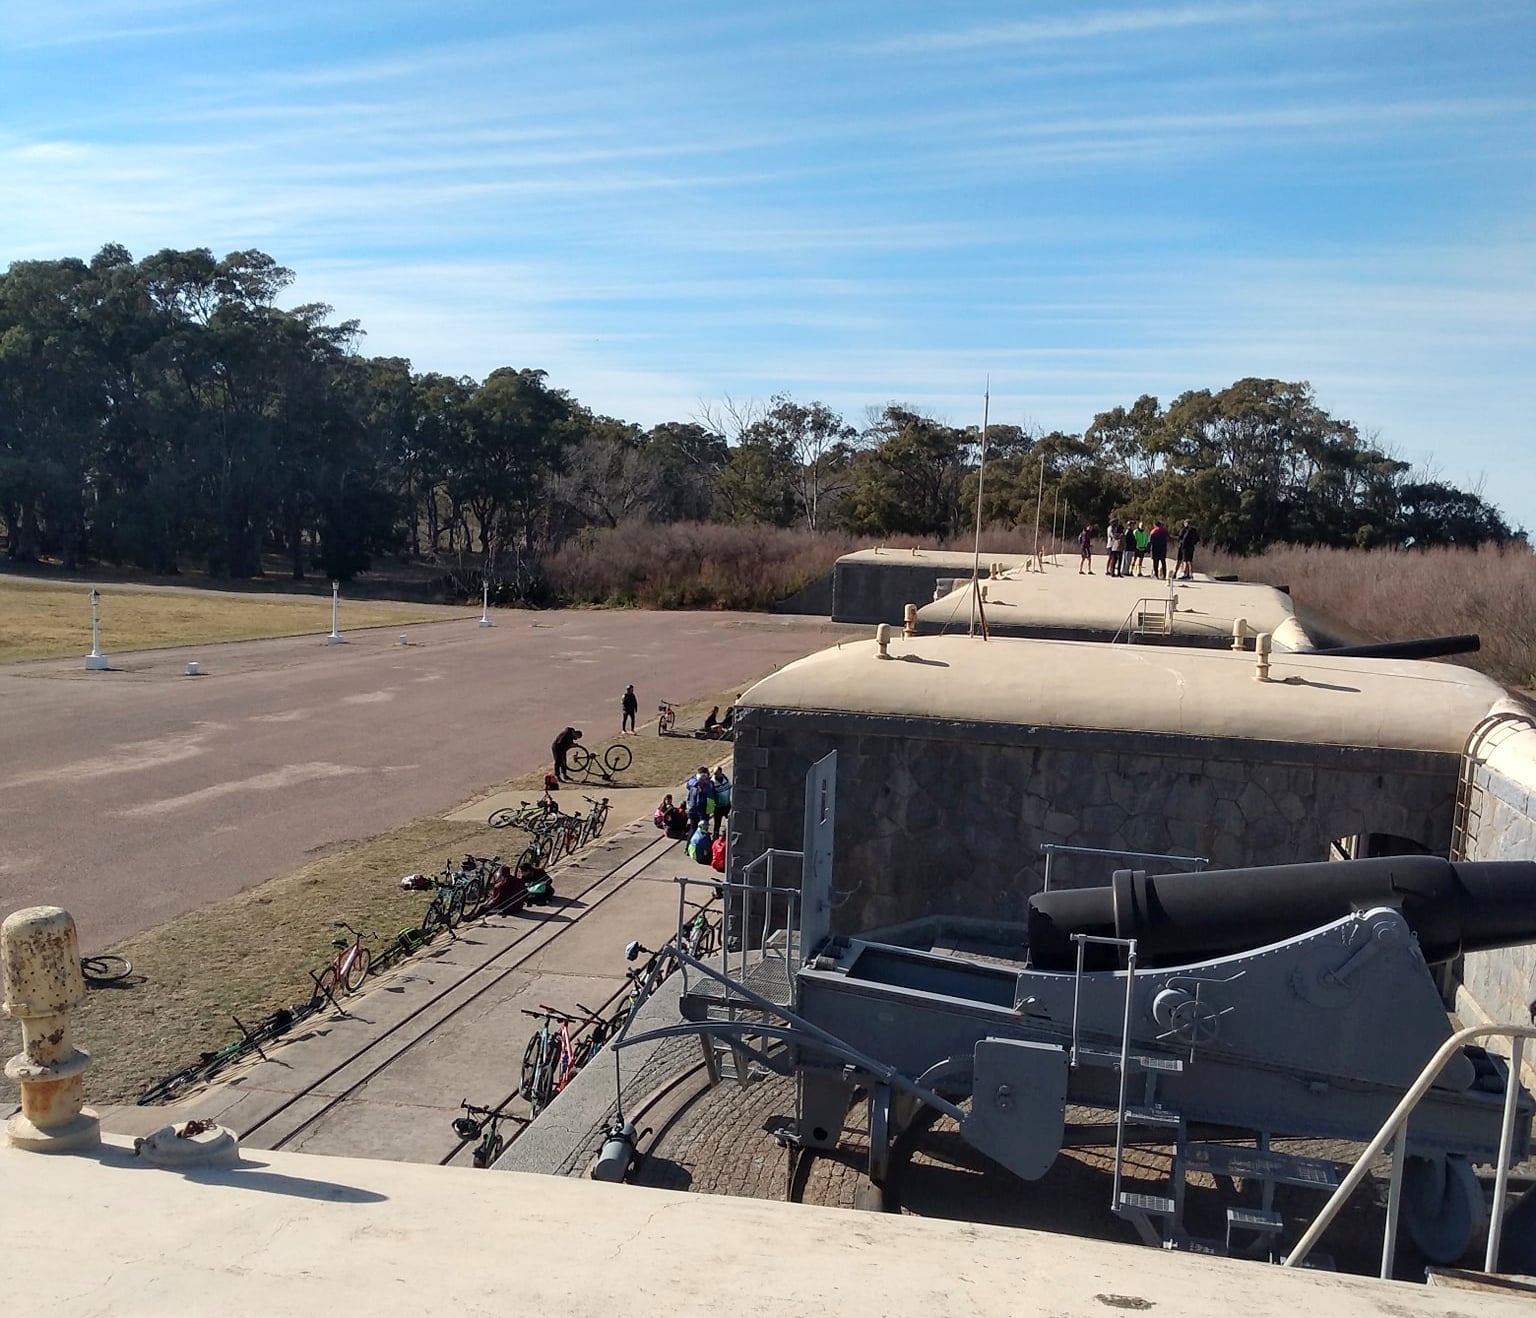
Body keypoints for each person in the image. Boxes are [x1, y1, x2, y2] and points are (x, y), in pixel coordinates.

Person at [709, 765, 731, 839]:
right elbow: (710, 796)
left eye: (717, 773)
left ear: (721, 772)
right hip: (718, 807)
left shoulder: (725, 778)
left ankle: (729, 835)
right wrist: (710, 810)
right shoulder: (712, 782)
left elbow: (729, 788)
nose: (715, 775)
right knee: (717, 825)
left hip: (727, 805)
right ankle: (715, 839)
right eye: (714, 773)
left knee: (731, 820)